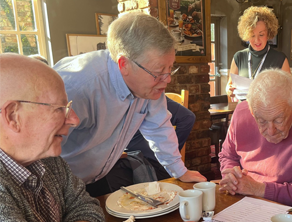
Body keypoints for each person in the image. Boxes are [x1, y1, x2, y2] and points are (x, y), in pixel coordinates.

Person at [54, 12, 206, 197]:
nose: (168, 80)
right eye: (159, 71)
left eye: (170, 68)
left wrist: (180, 171)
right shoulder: (76, 86)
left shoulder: (149, 84)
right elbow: (44, 153)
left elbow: (159, 127)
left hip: (96, 177)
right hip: (58, 186)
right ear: (124, 64)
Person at [0, 53, 104, 221]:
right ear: (13, 116)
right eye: (59, 108)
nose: (74, 120)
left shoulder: (50, 161)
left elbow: (86, 207)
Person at [219, 69, 292, 206]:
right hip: (241, 199)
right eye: (261, 121)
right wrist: (232, 176)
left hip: (288, 210)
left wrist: (258, 189)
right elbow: (228, 156)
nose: (271, 131)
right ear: (251, 110)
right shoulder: (241, 113)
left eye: (279, 120)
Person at [226, 6, 291, 100]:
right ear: (246, 35)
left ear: (269, 33)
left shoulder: (280, 59)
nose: (257, 40)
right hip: (243, 110)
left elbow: (289, 92)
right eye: (252, 35)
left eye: (261, 34)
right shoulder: (239, 57)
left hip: (268, 112)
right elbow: (229, 85)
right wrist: (229, 90)